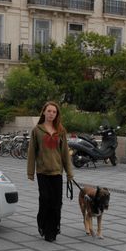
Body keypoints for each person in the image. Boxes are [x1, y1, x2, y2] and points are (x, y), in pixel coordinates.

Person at [27, 101, 73, 242]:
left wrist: (69, 172)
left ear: (56, 114)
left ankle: (52, 230)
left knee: (56, 203)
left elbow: (65, 153)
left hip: (57, 173)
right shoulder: (37, 130)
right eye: (49, 111)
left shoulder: (61, 131)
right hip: (43, 172)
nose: (51, 114)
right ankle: (43, 225)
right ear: (44, 112)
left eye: (54, 112)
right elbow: (32, 153)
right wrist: (30, 172)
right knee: (45, 200)